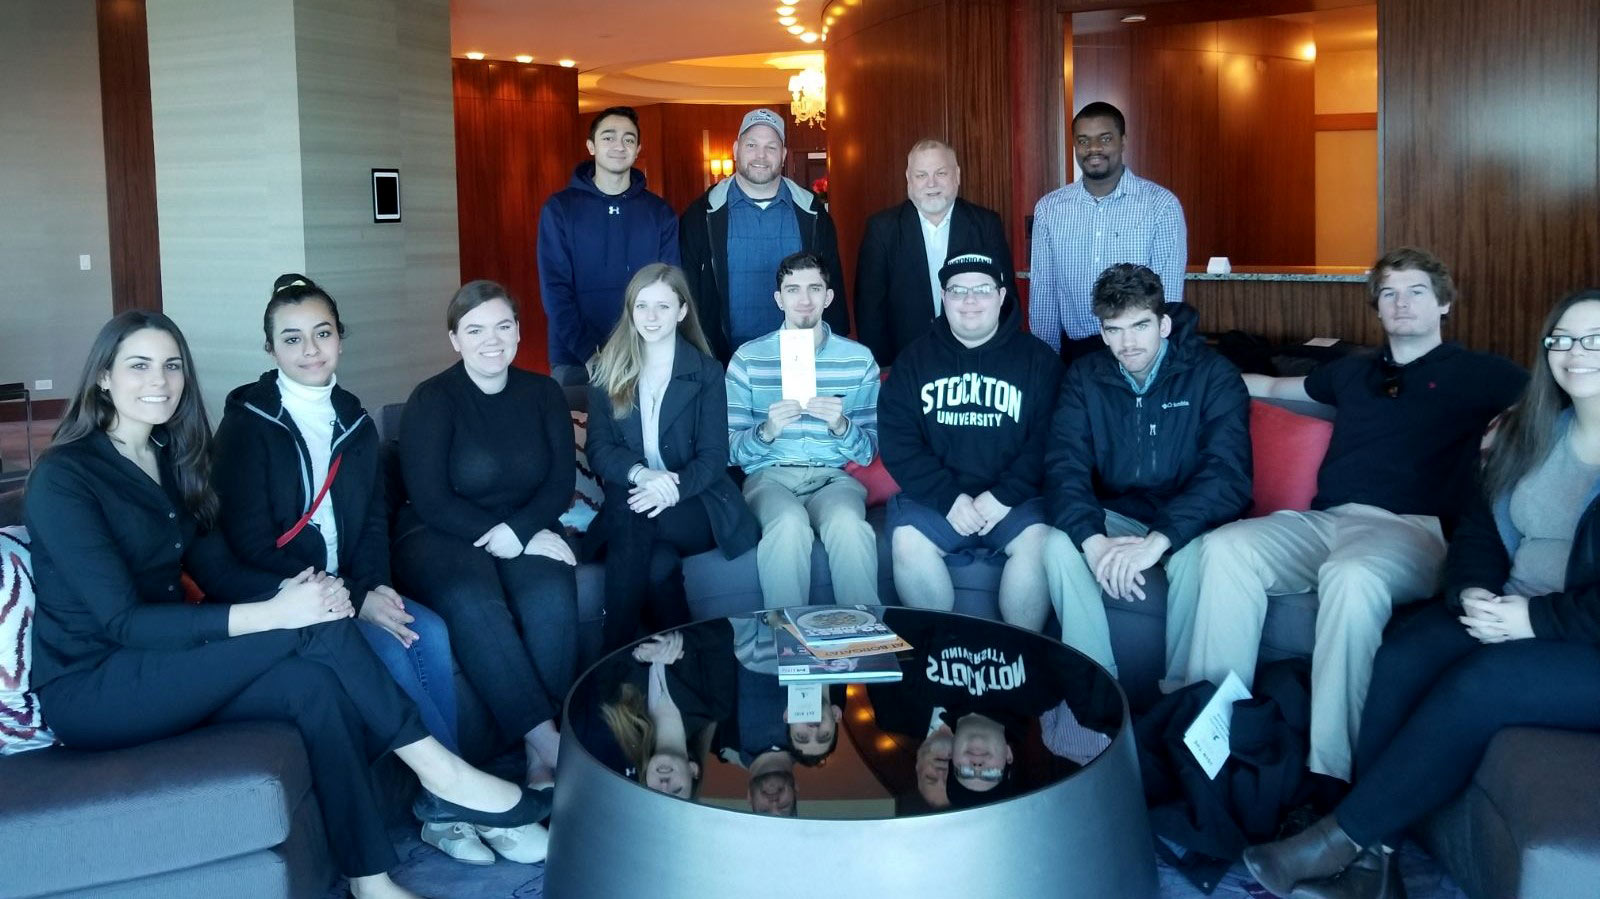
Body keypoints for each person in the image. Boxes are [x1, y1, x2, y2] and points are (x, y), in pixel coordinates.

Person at [23, 311, 549, 899]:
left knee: (314, 686)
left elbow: (214, 565)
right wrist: (277, 615)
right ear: (102, 378)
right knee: (314, 632)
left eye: (172, 365)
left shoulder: (168, 455)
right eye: (139, 366)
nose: (160, 380)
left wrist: (305, 595)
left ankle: (370, 880)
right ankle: (444, 773)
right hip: (95, 686)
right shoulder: (65, 477)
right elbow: (122, 621)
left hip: (164, 661)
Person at [1241, 289, 1600, 899]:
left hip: (1578, 634)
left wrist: (1535, 619)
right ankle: (1375, 865)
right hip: (1508, 604)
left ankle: (1338, 840)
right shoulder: (1534, 432)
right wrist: (1473, 592)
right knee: (1403, 656)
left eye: (1594, 339)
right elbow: (1482, 528)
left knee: (1484, 682)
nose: (1574, 353)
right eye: (1561, 339)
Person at [1177, 248, 1528, 783]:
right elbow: (1272, 387)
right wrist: (1185, 370)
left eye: (1416, 292)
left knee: (1351, 575)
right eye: (1388, 293)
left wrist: (1507, 429)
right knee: (1224, 548)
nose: (1401, 303)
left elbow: (1555, 402)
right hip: (1326, 522)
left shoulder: (1481, 373)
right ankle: (1212, 744)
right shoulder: (1354, 371)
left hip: (1412, 531)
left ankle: (1331, 776)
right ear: (1377, 308)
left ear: (1444, 305)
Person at [211, 275, 489, 863]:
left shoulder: (353, 420)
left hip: (353, 587)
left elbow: (369, 525)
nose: (310, 350)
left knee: (429, 631)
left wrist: (374, 587)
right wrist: (347, 596)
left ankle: (447, 804)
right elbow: (249, 542)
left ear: (340, 338)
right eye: (292, 340)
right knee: (393, 649)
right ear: (271, 351)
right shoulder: (248, 422)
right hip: (288, 595)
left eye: (322, 334)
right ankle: (461, 801)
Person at [392, 280, 579, 790]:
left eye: (502, 326)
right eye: (474, 329)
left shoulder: (542, 392)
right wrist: (500, 534)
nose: (490, 339)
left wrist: (519, 533)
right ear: (455, 339)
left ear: (519, 331)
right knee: (473, 600)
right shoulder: (432, 399)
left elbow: (561, 481)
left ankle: (534, 754)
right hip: (440, 530)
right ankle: (549, 742)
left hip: (524, 525)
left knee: (551, 594)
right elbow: (429, 498)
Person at [1042, 263, 1251, 678]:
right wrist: (1094, 541)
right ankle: (1096, 682)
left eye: (1140, 326)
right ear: (1102, 333)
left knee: (1201, 563)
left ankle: (1180, 696)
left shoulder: (1213, 375)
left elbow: (1227, 475)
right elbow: (1064, 466)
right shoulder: (1085, 377)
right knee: (1057, 544)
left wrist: (1159, 540)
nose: (1128, 342)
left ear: (1165, 324)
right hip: (1119, 510)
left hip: (1191, 518)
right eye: (1114, 330)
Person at [878, 252, 1059, 630]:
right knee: (908, 543)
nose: (970, 301)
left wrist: (1006, 495)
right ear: (943, 298)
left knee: (1040, 543)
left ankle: (1021, 655)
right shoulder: (914, 360)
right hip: (935, 498)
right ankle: (938, 654)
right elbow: (899, 442)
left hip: (1015, 499)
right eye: (958, 291)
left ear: (1001, 295)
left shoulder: (1039, 360)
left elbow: (1051, 439)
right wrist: (948, 498)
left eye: (981, 290)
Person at [585, 264, 758, 650]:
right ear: (630, 310)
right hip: (635, 495)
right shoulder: (604, 371)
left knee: (628, 515)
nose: (650, 317)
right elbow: (599, 450)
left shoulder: (708, 373)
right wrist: (642, 476)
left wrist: (670, 489)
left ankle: (613, 655)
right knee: (658, 565)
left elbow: (714, 458)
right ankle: (685, 658)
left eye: (662, 307)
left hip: (694, 504)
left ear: (682, 311)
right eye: (641, 306)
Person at [726, 251, 880, 609]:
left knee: (849, 526)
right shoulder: (748, 359)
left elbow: (868, 452)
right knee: (789, 525)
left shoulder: (858, 359)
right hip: (769, 478)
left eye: (815, 288)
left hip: (833, 478)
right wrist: (767, 430)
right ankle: (786, 635)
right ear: (779, 299)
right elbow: (731, 451)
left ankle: (863, 634)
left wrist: (841, 426)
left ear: (829, 297)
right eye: (793, 290)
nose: (804, 300)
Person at [681, 107, 849, 361]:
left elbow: (831, 287)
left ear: (782, 155)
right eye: (751, 145)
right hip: (724, 362)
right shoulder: (700, 215)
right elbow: (688, 292)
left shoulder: (813, 213)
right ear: (736, 149)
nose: (761, 155)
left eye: (771, 147)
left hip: (800, 358)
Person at [1029, 101, 1188, 364]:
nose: (1093, 149)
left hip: (1138, 353)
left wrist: (1159, 363)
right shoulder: (1049, 209)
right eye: (1083, 140)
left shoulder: (1160, 205)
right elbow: (1044, 292)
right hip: (1075, 354)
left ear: (1123, 141)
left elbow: (1167, 295)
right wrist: (1045, 363)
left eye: (1105, 138)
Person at [538, 106, 680, 385]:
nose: (619, 145)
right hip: (576, 361)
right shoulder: (560, 209)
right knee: (579, 430)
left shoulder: (660, 212)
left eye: (629, 139)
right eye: (608, 137)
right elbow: (555, 289)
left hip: (645, 355)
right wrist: (590, 355)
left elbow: (670, 287)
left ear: (638, 149)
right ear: (591, 146)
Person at [854, 140, 1015, 365]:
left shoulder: (986, 224)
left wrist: (1000, 358)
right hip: (906, 363)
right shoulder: (882, 230)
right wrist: (884, 369)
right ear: (908, 179)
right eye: (921, 175)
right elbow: (870, 312)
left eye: (941, 173)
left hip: (977, 360)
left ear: (956, 175)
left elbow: (1006, 300)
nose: (931, 183)